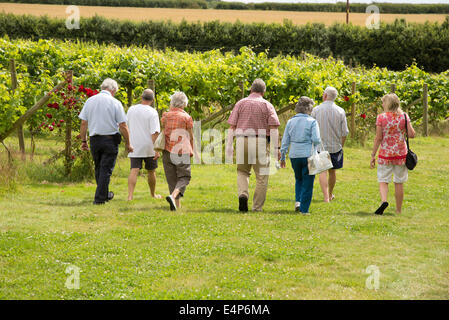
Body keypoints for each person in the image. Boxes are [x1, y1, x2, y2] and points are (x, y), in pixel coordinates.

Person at [226, 78, 280, 212]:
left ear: (251, 89)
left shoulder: (240, 103)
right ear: (264, 91)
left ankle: (243, 194)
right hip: (260, 141)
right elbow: (273, 128)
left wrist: (229, 145)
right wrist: (276, 148)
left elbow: (232, 126)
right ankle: (257, 207)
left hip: (241, 140)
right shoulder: (267, 105)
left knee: (242, 171)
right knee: (262, 176)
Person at [79, 78, 133, 204]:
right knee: (106, 170)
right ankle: (99, 199)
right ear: (113, 90)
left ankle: (105, 194)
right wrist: (128, 143)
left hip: (95, 140)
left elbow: (83, 122)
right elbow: (123, 125)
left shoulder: (90, 101)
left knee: (99, 168)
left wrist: (83, 141)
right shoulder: (115, 102)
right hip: (109, 139)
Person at [370, 93, 415, 215]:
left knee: (383, 180)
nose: (382, 104)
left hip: (385, 154)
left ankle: (384, 201)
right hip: (401, 154)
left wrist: (373, 154)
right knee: (399, 182)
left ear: (388, 104)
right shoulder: (404, 116)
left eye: (384, 102)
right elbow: (412, 134)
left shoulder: (381, 117)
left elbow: (378, 138)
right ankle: (398, 210)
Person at [280, 97, 321, 215]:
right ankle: (304, 209)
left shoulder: (290, 121)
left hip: (294, 155)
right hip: (308, 154)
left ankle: (298, 201)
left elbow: (285, 141)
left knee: (298, 179)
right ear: (309, 109)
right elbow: (316, 139)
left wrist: (283, 156)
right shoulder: (312, 122)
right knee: (308, 181)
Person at [311, 86, 349, 203]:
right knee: (332, 172)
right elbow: (344, 132)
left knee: (322, 171)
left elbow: (311, 127)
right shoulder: (340, 111)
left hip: (319, 146)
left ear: (325, 95)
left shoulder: (316, 110)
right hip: (335, 146)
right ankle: (330, 193)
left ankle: (326, 197)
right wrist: (341, 146)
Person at [160, 91, 194, 211]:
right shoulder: (186, 118)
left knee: (172, 179)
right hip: (181, 151)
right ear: (184, 103)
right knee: (184, 177)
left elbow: (164, 132)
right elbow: (190, 136)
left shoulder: (165, 116)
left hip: (167, 151)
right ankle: (173, 196)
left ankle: (176, 204)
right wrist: (192, 149)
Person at [127, 89, 161, 201]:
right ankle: (153, 194)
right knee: (151, 171)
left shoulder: (131, 109)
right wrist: (157, 149)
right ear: (152, 100)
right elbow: (154, 133)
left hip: (135, 144)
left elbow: (126, 126)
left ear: (141, 97)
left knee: (134, 169)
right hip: (149, 146)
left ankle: (130, 196)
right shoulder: (153, 112)